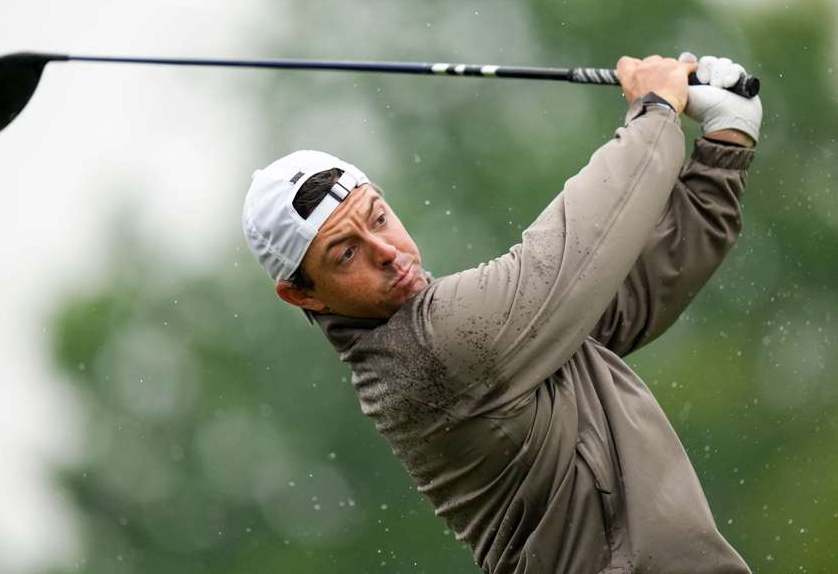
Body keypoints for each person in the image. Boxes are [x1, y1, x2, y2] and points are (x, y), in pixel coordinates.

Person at [242, 52, 762, 574]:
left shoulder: (495, 336)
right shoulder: (428, 350)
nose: (385, 250)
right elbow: (578, 246)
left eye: (378, 217)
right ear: (304, 296)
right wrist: (654, 111)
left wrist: (725, 147)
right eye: (347, 253)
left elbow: (638, 288)